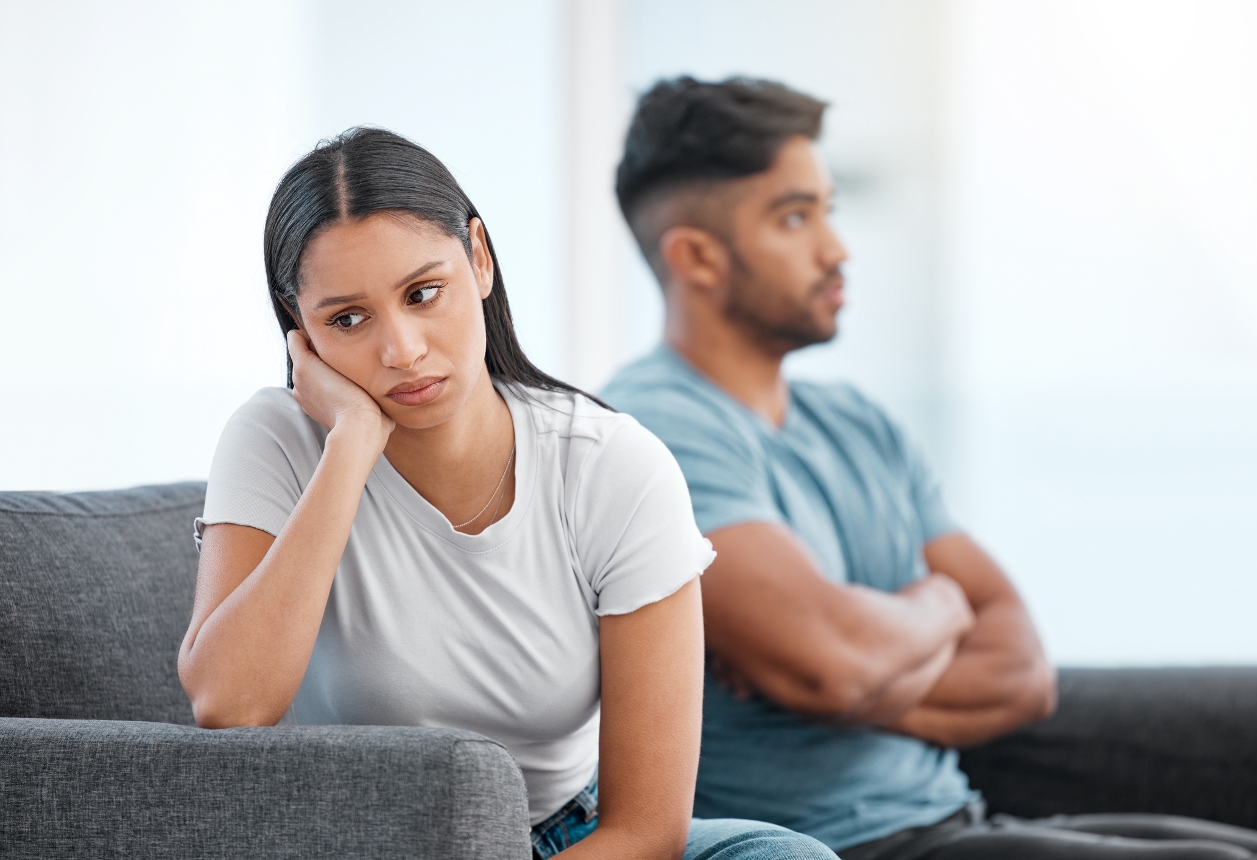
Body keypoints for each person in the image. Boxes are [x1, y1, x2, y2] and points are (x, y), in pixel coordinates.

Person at [601, 77, 1257, 860]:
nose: (837, 248)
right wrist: (935, 610)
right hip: (837, 846)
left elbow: (1022, 671)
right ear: (696, 256)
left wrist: (854, 673)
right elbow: (833, 668)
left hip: (956, 821)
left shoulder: (859, 422)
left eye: (829, 209)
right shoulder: (651, 432)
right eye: (795, 217)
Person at [177, 127, 835, 860]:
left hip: (568, 840)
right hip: (355, 841)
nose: (402, 350)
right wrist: (351, 448)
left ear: (479, 259)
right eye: (348, 319)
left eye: (423, 294)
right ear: (300, 324)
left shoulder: (610, 464)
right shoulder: (274, 439)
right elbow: (229, 706)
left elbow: (646, 829)